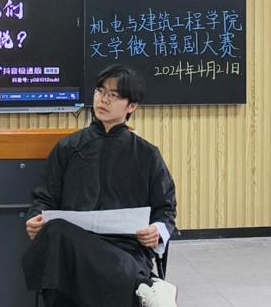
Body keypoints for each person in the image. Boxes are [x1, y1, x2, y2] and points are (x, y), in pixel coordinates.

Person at [22, 64, 178, 307]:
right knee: (55, 231)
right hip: (74, 247)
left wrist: (157, 230)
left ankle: (139, 283)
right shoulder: (68, 148)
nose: (103, 99)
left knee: (62, 241)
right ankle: (143, 285)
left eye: (113, 95)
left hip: (125, 248)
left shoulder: (147, 155)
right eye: (100, 91)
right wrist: (35, 219)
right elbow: (44, 198)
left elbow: (165, 208)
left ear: (131, 106)